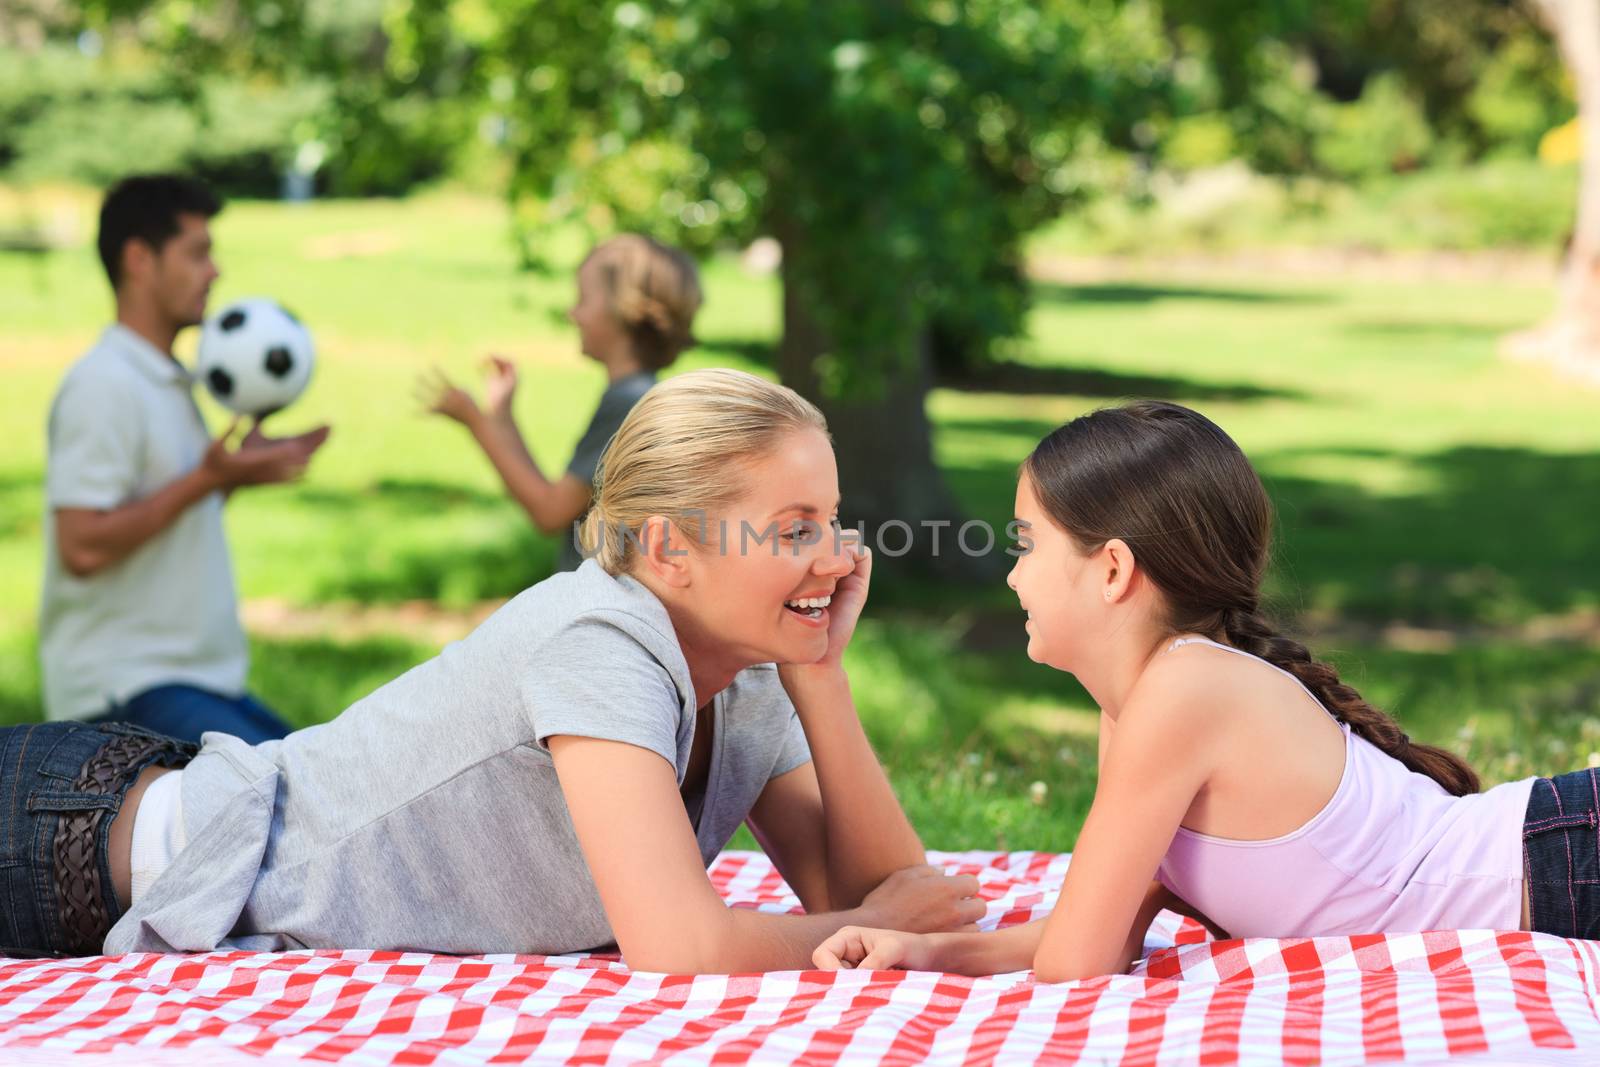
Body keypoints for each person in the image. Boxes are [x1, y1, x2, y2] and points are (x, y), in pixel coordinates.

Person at [1, 369, 982, 967]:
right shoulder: (601, 640)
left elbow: (888, 891)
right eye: (795, 528)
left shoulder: (752, 673)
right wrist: (868, 920)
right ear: (672, 549)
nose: (839, 552)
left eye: (834, 516)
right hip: (80, 848)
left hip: (108, 830)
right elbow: (684, 947)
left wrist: (823, 671)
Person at [813, 400, 1584, 983]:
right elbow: (1101, 933)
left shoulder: (1184, 691)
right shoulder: (1151, 700)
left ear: (1111, 569)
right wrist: (921, 951)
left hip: (1564, 862)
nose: (1011, 574)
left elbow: (1072, 962)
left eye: (1026, 543)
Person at [38, 174, 329, 745]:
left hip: (192, 680)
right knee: (295, 800)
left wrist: (235, 474)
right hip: (124, 689)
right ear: (140, 259)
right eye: (198, 253)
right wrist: (205, 480)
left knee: (326, 773)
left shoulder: (166, 380)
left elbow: (160, 507)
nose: (215, 271)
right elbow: (82, 545)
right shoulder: (104, 384)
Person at [418, 234, 701, 572]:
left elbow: (549, 511)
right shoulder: (636, 395)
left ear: (624, 308)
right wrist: (501, 417)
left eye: (583, 298)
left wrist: (477, 422)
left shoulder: (627, 406)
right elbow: (553, 495)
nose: (573, 313)